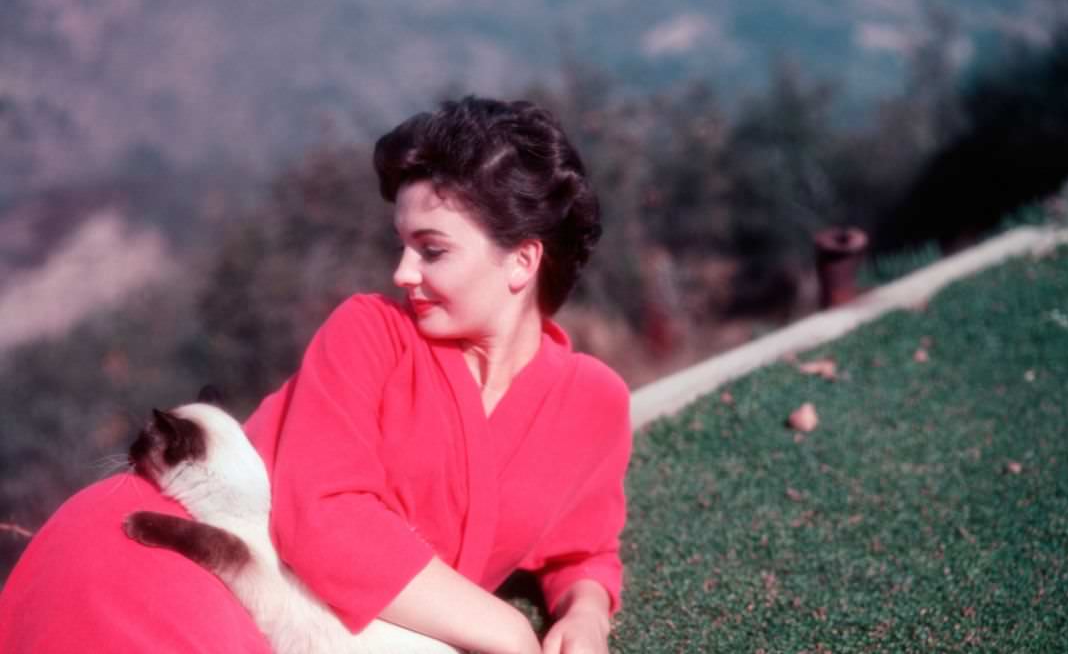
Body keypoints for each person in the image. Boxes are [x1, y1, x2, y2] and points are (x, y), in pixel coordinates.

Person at [0, 97, 631, 654]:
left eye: (432, 250)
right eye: (402, 245)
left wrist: (587, 612)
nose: (402, 273)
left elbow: (584, 547)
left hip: (274, 606)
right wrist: (506, 629)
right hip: (166, 552)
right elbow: (324, 523)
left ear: (522, 261)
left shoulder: (595, 402)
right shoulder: (369, 331)